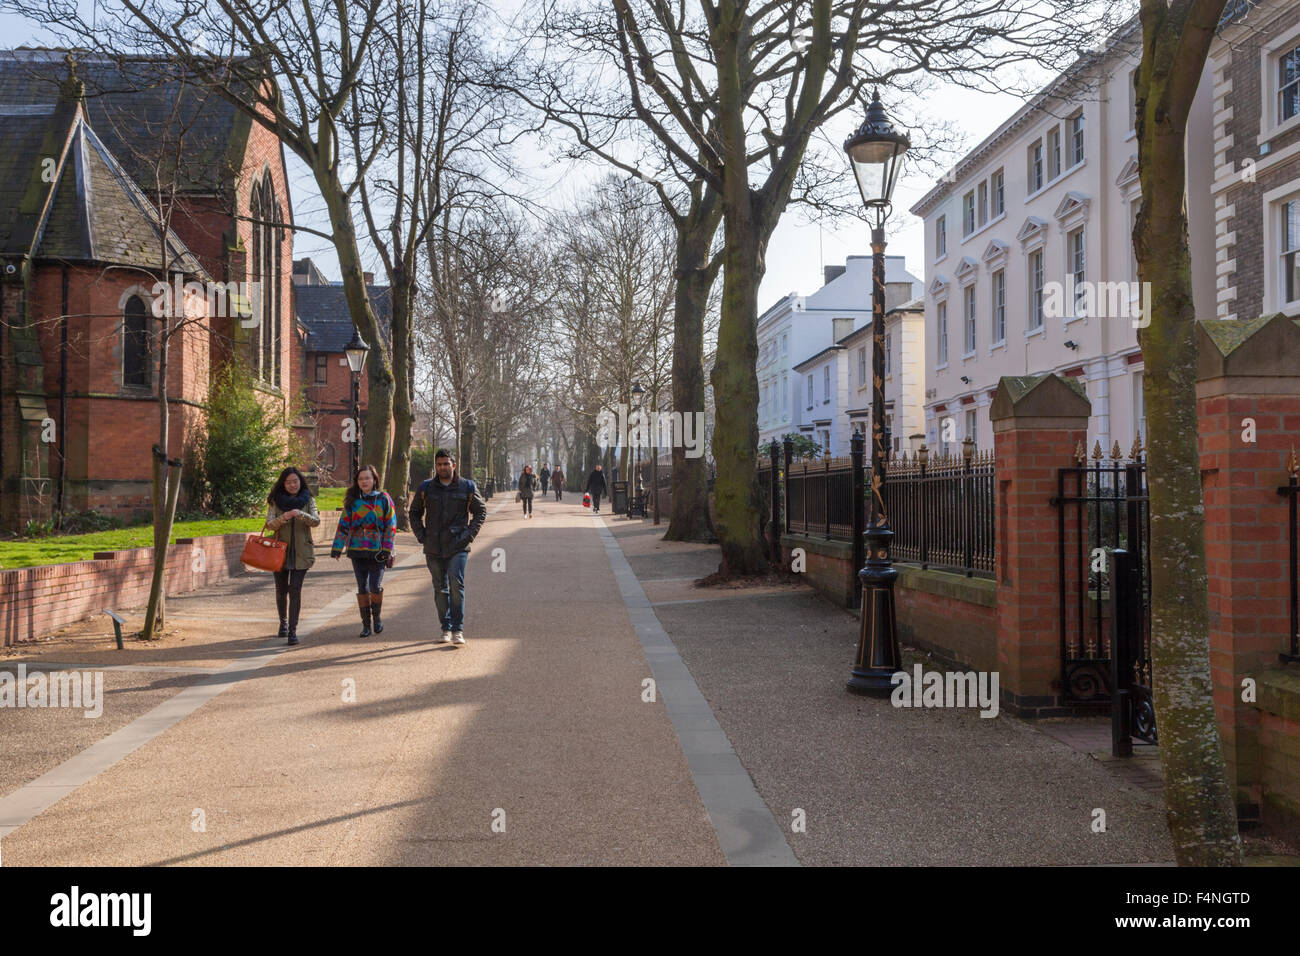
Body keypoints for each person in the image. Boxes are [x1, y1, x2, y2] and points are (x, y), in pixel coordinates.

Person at [409, 448, 487, 645]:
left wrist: (469, 535)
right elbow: (414, 512)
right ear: (436, 466)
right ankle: (445, 627)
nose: (443, 467)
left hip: (458, 545)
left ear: (454, 464)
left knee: (456, 584)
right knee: (439, 588)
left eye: (446, 463)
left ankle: (457, 629)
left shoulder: (467, 486)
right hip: (433, 546)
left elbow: (480, 511)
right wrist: (421, 535)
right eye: (439, 464)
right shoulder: (426, 488)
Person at [331, 464, 397, 638]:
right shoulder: (353, 501)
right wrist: (337, 547)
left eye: (367, 478)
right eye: (360, 479)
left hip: (378, 550)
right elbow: (343, 524)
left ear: (374, 479)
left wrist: (387, 548)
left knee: (375, 585)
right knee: (362, 587)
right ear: (357, 482)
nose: (364, 481)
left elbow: (391, 525)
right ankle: (366, 624)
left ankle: (377, 618)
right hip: (357, 549)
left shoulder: (384, 499)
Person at [266, 466, 320, 646]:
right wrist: (285, 517)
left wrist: (300, 514)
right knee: (281, 590)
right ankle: (283, 623)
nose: (292, 485)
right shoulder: (275, 501)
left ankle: (293, 631)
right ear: (283, 483)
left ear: (300, 481)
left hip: (302, 552)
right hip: (278, 552)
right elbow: (269, 525)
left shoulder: (308, 499)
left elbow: (316, 521)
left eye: (295, 481)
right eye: (288, 482)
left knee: (295, 590)